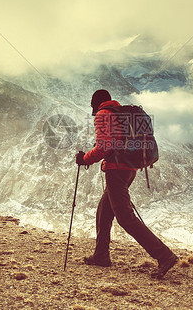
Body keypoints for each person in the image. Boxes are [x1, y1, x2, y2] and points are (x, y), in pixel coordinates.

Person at [75, 89, 178, 278]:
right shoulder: (122, 113)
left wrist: (85, 159)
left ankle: (165, 255)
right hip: (130, 169)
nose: (91, 106)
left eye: (92, 103)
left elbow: (104, 147)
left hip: (116, 170)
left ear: (96, 102)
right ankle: (101, 256)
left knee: (125, 217)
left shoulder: (103, 114)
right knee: (104, 211)